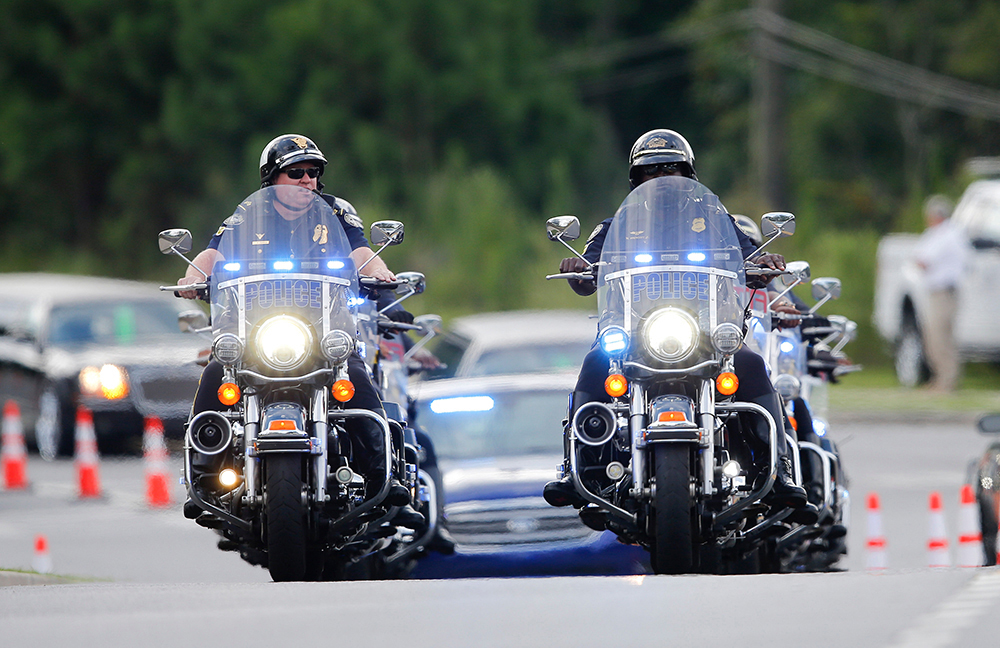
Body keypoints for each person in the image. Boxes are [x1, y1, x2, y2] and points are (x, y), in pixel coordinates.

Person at [543, 129, 808, 512]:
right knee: (594, 363)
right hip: (635, 332)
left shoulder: (717, 219)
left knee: (750, 364)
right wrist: (579, 268)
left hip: (705, 330)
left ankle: (779, 469)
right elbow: (587, 280)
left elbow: (747, 256)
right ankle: (575, 468)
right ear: (638, 179)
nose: (663, 178)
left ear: (688, 174)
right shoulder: (615, 224)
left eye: (672, 168)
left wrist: (763, 263)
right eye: (652, 171)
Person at [179, 134, 420, 526]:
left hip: (324, 330)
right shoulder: (246, 215)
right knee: (214, 374)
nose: (308, 179)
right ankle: (205, 475)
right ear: (273, 178)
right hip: (259, 332)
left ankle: (384, 480)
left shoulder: (336, 211)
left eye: (314, 172)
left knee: (356, 377)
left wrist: (377, 271)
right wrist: (193, 274)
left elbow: (360, 250)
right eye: (297, 172)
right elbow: (213, 253)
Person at [914, 194, 968, 392]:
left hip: (944, 293)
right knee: (935, 337)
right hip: (938, 292)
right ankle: (940, 379)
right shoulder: (942, 234)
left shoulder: (947, 234)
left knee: (940, 338)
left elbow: (923, 260)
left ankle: (946, 381)